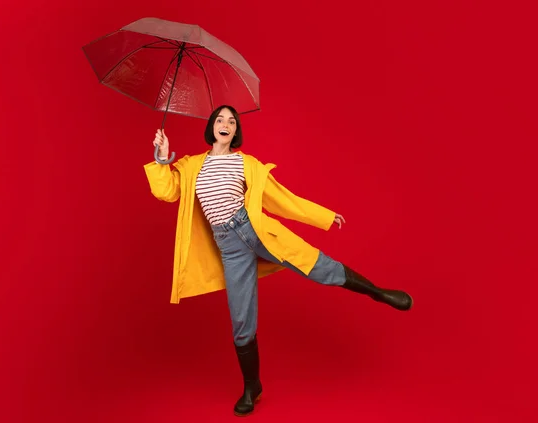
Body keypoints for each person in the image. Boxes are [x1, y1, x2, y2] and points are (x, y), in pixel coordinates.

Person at [144, 105, 413, 417]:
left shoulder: (247, 164)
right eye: (220, 119)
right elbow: (167, 192)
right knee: (241, 321)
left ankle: (376, 291)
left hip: (256, 231)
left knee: (315, 264)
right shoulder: (191, 166)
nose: (226, 124)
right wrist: (161, 159)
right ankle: (252, 386)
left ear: (235, 132)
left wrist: (323, 216)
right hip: (230, 249)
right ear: (212, 126)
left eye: (232, 121)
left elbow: (282, 199)